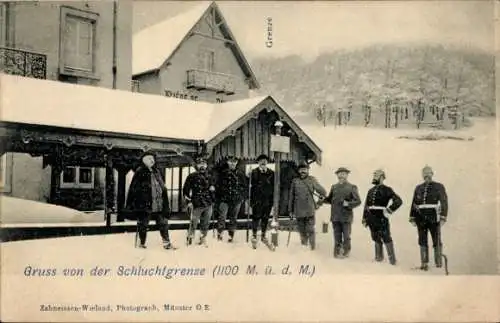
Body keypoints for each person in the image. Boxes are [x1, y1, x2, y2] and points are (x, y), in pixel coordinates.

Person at [126, 151, 175, 250]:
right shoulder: (139, 172)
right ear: (144, 160)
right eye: (149, 159)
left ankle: (167, 243)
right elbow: (133, 189)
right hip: (145, 205)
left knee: (163, 224)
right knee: (143, 225)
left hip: (159, 204)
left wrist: (165, 200)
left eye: (153, 159)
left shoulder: (156, 172)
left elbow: (163, 187)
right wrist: (131, 204)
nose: (152, 160)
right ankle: (141, 243)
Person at [409, 165, 448, 270]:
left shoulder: (439, 186)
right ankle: (424, 263)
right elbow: (414, 203)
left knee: (436, 239)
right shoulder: (418, 188)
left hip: (433, 217)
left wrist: (443, 216)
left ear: (432, 174)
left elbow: (444, 202)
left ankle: (438, 263)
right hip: (420, 217)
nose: (427, 176)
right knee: (422, 239)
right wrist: (412, 217)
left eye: (429, 173)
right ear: (422, 175)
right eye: (425, 174)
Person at [362, 169, 402, 265]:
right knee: (375, 237)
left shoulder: (387, 189)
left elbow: (398, 201)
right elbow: (366, 206)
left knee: (386, 237)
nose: (374, 177)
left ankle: (392, 260)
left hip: (382, 217)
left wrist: (389, 210)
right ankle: (379, 258)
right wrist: (364, 218)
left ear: (382, 177)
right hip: (371, 217)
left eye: (376, 176)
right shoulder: (370, 191)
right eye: (374, 175)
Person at [321, 167, 362, 258]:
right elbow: (330, 199)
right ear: (337, 175)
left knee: (346, 236)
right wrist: (323, 200)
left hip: (346, 217)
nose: (341, 175)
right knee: (337, 236)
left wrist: (348, 204)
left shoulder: (352, 187)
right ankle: (337, 252)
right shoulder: (334, 187)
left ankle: (346, 251)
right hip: (335, 216)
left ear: (347, 175)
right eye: (339, 173)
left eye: (343, 173)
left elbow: (358, 201)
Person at [288, 161, 327, 250]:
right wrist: (290, 210)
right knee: (301, 230)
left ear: (308, 170)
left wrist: (319, 203)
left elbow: (323, 192)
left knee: (310, 229)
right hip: (298, 210)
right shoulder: (295, 181)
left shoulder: (312, 180)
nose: (303, 171)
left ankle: (312, 247)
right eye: (301, 169)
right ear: (298, 171)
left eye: (305, 169)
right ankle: (304, 247)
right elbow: (291, 197)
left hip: (309, 210)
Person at [183, 157, 216, 246]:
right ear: (197, 165)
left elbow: (213, 189)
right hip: (196, 203)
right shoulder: (192, 176)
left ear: (206, 165)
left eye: (204, 164)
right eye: (200, 164)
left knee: (205, 222)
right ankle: (190, 237)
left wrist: (213, 195)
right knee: (193, 222)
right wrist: (188, 202)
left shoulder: (210, 176)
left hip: (208, 203)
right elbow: (186, 190)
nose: (202, 166)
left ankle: (203, 237)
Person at [216, 156, 248, 243]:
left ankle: (231, 235)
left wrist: (242, 198)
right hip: (224, 199)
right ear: (227, 162)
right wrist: (219, 197)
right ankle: (220, 234)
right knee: (222, 217)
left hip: (236, 199)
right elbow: (218, 186)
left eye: (234, 162)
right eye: (230, 161)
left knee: (233, 218)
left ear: (237, 163)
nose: (232, 163)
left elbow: (245, 187)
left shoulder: (240, 174)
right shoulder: (223, 173)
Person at [249, 154, 275, 248]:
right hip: (257, 200)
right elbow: (250, 188)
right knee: (256, 217)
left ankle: (263, 234)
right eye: (261, 161)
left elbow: (274, 187)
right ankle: (254, 235)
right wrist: (251, 201)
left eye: (265, 161)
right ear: (258, 162)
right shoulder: (253, 172)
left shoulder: (272, 173)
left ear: (267, 162)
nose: (263, 162)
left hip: (267, 200)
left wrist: (272, 200)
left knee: (265, 217)